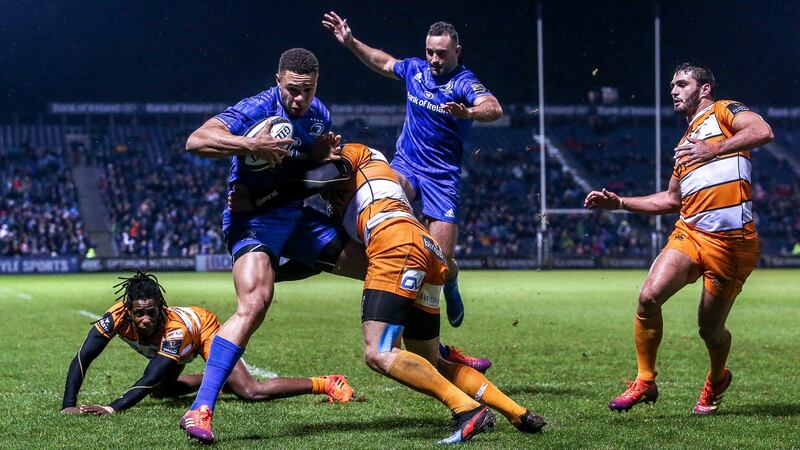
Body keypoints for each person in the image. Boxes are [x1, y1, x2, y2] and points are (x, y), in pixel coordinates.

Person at [256, 142, 546, 444]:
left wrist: (266, 193)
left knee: (379, 352)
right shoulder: (344, 197)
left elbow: (321, 175)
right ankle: (518, 413)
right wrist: (273, 274)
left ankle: (469, 410)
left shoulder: (351, 153)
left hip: (394, 243)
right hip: (424, 247)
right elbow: (320, 259)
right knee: (432, 362)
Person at [180, 48, 363, 444]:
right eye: (293, 89)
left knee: (375, 267)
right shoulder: (255, 109)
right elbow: (196, 141)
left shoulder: (320, 115)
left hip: (295, 217)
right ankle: (200, 409)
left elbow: (304, 170)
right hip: (252, 221)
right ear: (278, 81)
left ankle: (435, 351)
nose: (300, 98)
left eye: (308, 90)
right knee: (255, 303)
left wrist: (319, 159)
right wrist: (250, 145)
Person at [584, 63, 773, 414]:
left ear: (704, 89)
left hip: (731, 244)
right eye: (672, 85)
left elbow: (762, 130)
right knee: (648, 297)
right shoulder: (685, 144)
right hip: (690, 233)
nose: (673, 90)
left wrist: (715, 149)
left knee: (710, 330)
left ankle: (717, 377)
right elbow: (672, 200)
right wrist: (620, 203)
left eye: (682, 84)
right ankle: (645, 380)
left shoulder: (723, 111)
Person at [323, 12, 503, 328]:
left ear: (457, 51)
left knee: (440, 263)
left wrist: (468, 112)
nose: (434, 59)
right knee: (375, 193)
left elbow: (494, 108)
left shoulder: (463, 82)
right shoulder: (415, 70)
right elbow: (382, 62)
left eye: (441, 53)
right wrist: (350, 42)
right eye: (430, 52)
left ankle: (451, 282)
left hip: (442, 178)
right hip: (406, 165)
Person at [61, 271, 353, 416]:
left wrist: (111, 408)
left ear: (161, 308)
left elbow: (150, 376)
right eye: (139, 314)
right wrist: (68, 405)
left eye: (151, 312)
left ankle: (326, 382)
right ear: (129, 311)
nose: (146, 319)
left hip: (203, 331)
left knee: (251, 391)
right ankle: (220, 379)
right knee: (162, 392)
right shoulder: (115, 317)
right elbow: (83, 357)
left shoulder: (174, 330)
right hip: (177, 348)